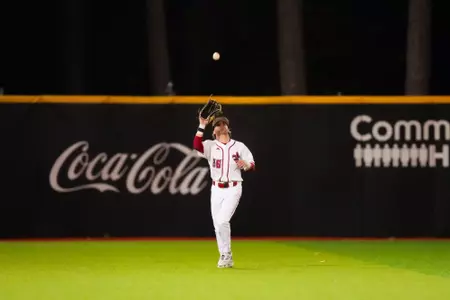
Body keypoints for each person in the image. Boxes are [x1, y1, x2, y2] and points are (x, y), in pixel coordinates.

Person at [193, 113, 255, 268]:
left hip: (233, 188)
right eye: (218, 125)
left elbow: (252, 164)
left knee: (222, 220)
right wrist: (202, 125)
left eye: (223, 124)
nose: (221, 126)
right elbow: (196, 145)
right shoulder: (210, 145)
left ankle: (227, 254)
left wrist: (246, 165)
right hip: (216, 189)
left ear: (228, 128)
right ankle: (224, 255)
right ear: (213, 131)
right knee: (217, 225)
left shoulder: (239, 146)